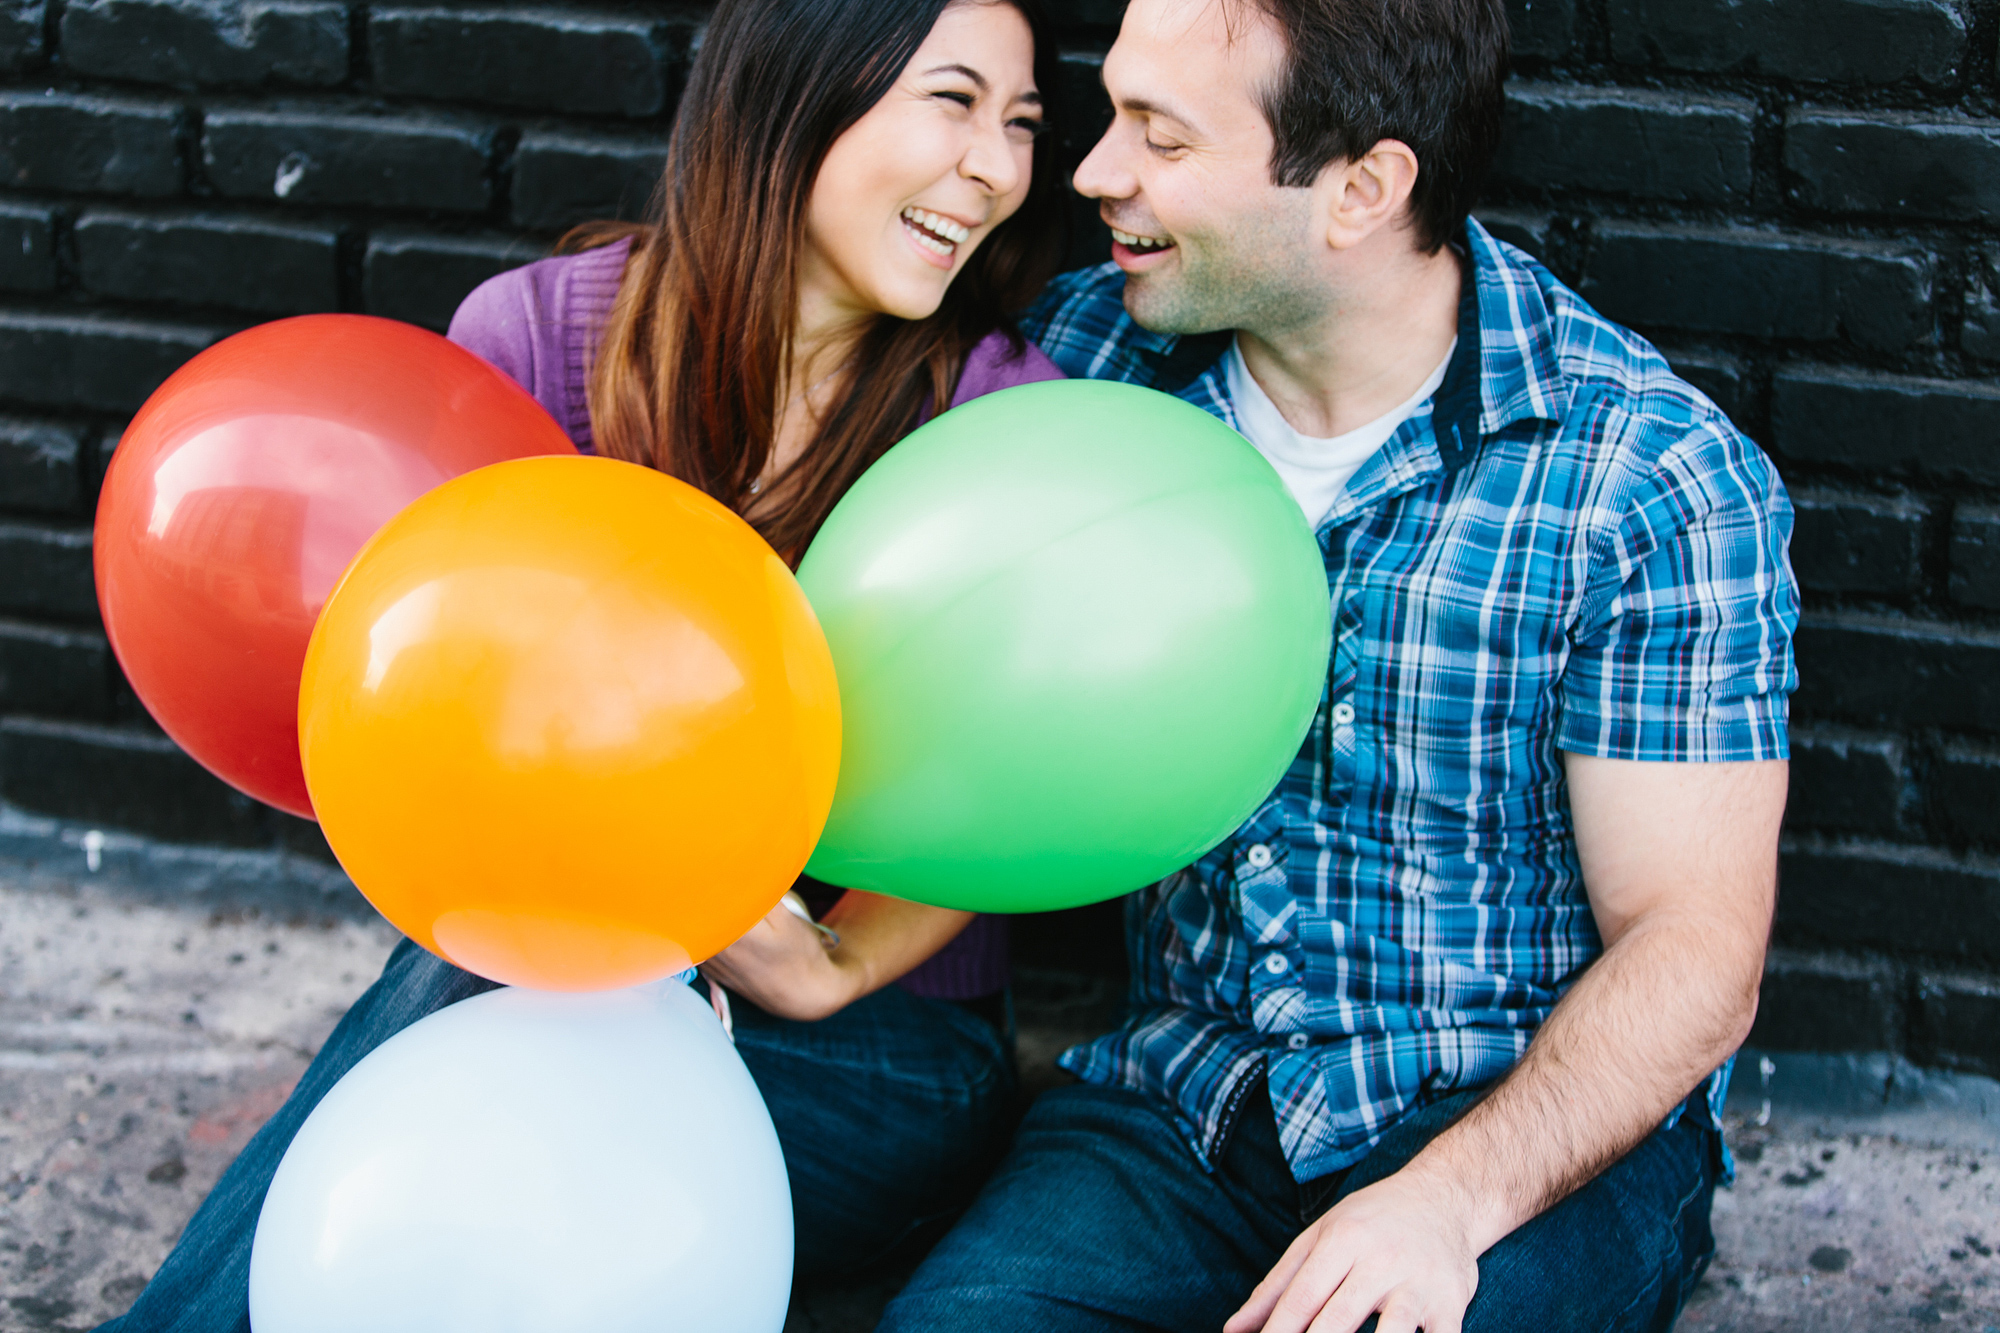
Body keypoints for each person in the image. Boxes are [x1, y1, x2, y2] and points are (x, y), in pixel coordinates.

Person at [96, 0, 1066, 1326]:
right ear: (792, 95)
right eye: (954, 102)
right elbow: (448, 723)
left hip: (873, 1044)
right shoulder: (536, 342)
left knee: (488, 1067)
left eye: (1020, 124)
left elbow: (1014, 778)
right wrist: (644, 894)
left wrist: (829, 965)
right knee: (483, 1057)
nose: (999, 169)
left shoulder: (992, 413)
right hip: (551, 967)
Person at [875, 0, 1797, 1331]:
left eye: (1162, 136)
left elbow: (1697, 944)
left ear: (1361, 188)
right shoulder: (1080, 379)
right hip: (1177, 1103)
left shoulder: (1641, 479)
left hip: (1511, 1124)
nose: (1092, 173)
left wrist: (1449, 1198)